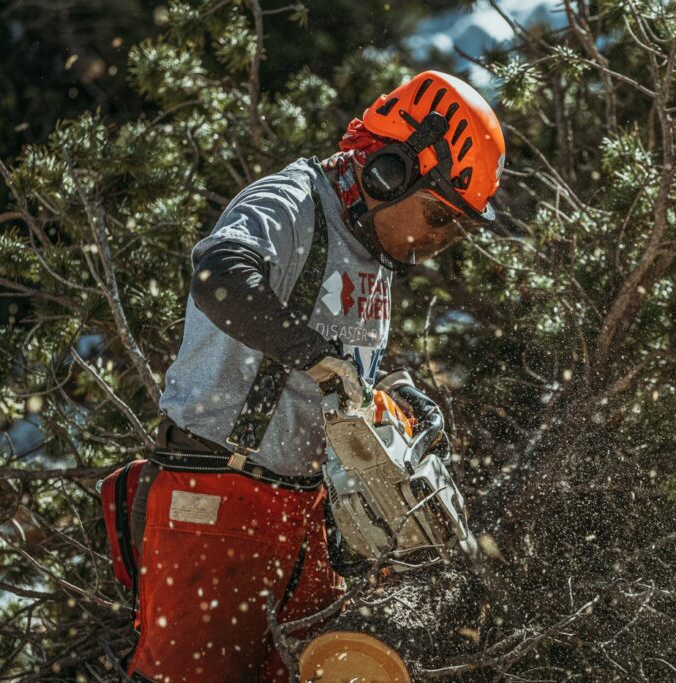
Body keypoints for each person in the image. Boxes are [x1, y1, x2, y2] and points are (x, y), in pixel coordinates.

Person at [123, 70, 506, 682]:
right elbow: (219, 274)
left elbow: (348, 361)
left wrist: (394, 393)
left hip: (301, 511)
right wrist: (309, 354)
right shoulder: (292, 203)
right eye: (438, 217)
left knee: (324, 670)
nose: (440, 240)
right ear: (390, 172)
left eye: (456, 230)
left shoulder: (377, 250)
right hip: (217, 494)